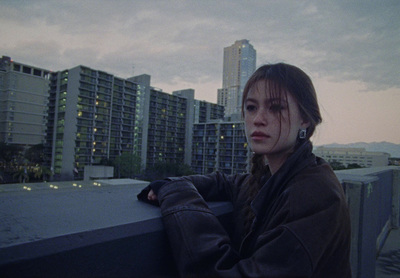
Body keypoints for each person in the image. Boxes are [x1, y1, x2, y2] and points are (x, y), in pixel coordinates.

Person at [138, 63, 352, 277]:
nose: (258, 119)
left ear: (305, 119)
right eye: (251, 107)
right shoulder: (277, 178)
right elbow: (229, 183)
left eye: (276, 107)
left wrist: (178, 198)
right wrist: (173, 184)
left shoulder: (315, 196)